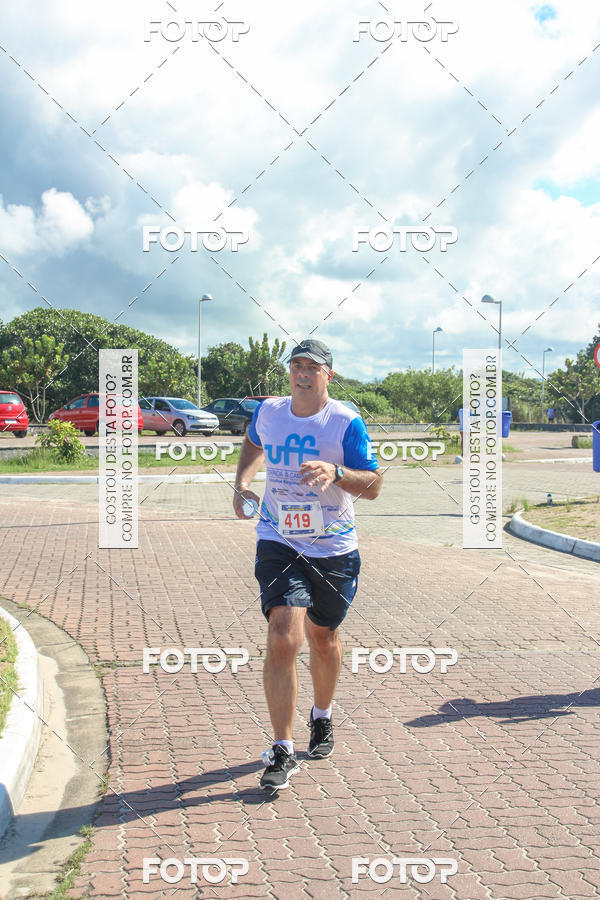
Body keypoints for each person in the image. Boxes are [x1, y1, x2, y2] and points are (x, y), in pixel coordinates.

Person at [233, 339, 383, 790]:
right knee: (283, 637)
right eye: (296, 365)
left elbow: (374, 485)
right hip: (278, 537)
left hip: (333, 547)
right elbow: (253, 443)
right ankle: (282, 748)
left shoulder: (344, 422)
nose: (302, 373)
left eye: (312, 367)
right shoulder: (270, 412)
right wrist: (241, 483)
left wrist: (337, 473)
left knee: (323, 636)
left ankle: (323, 714)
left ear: (328, 376)